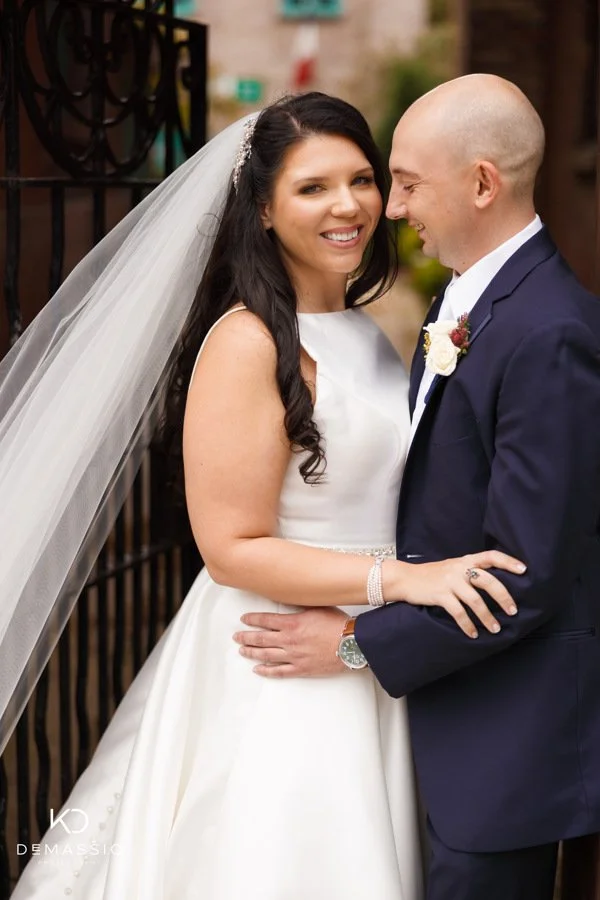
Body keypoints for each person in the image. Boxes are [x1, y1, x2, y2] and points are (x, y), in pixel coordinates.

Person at [3, 92, 525, 899]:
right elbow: (230, 547)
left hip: (362, 647)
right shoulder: (246, 343)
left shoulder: (363, 331)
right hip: (277, 656)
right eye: (313, 187)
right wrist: (406, 580)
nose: (348, 205)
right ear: (264, 210)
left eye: (361, 179)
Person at [236, 76, 600, 900]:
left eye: (403, 182)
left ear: (482, 183)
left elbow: (525, 574)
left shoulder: (550, 332)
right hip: (432, 706)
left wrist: (357, 642)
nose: (392, 209)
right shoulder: (464, 298)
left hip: (503, 737)